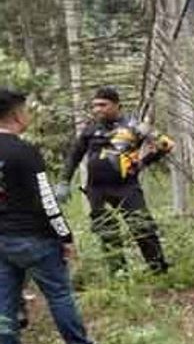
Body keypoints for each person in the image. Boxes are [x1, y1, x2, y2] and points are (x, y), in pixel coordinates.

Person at [0, 90, 94, 344]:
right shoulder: (25, 151)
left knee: (3, 300)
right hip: (35, 237)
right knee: (59, 294)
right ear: (16, 115)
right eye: (25, 111)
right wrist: (65, 236)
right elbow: (47, 199)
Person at [57, 88, 173, 274]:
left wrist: (143, 163)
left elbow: (166, 144)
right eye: (94, 106)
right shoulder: (91, 129)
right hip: (96, 189)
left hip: (126, 186)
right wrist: (64, 181)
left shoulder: (134, 125)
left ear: (117, 105)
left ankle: (158, 268)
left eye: (103, 105)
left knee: (142, 225)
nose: (97, 109)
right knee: (106, 230)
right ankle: (118, 272)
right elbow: (74, 156)